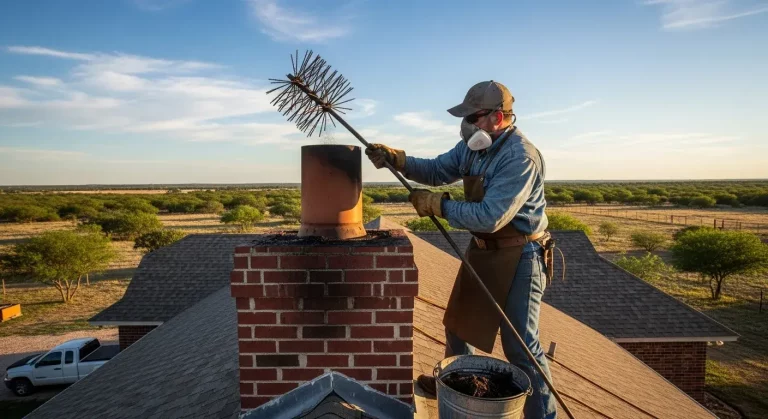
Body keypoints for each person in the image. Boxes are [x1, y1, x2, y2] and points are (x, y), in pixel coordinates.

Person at [366, 81, 557, 419]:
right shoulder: (472, 147)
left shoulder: (520, 157)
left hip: (521, 255)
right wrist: (399, 159)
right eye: (465, 117)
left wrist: (438, 205)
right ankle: (455, 387)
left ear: (498, 117)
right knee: (459, 326)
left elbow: (489, 217)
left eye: (473, 117)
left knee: (521, 349)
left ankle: (543, 415)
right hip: (484, 249)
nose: (467, 125)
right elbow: (438, 170)